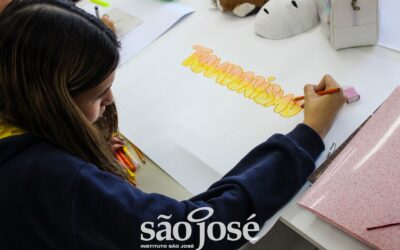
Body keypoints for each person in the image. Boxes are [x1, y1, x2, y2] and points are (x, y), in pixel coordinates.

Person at [0, 0, 346, 249]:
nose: (108, 103)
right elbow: (197, 232)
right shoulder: (57, 181)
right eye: (99, 94)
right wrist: (308, 134)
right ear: (51, 100)